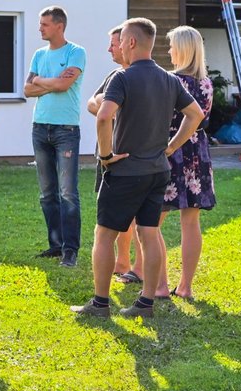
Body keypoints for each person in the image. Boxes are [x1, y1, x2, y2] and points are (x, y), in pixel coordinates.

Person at [73, 18, 204, 319]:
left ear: (131, 42)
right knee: (149, 232)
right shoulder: (170, 79)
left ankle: (101, 303)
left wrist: (106, 155)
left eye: (119, 42)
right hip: (158, 170)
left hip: (125, 171)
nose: (117, 47)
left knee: (104, 234)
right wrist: (170, 147)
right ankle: (146, 303)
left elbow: (103, 116)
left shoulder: (122, 77)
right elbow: (194, 114)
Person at [152, 26, 215, 300]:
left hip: (170, 150)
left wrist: (168, 146)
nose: (168, 51)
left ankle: (161, 286)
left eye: (171, 46)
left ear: (182, 49)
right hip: (197, 152)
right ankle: (186, 287)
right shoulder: (206, 83)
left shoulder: (168, 81)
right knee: (191, 223)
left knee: (152, 223)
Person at [23, 6, 86, 267]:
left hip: (65, 130)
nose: (40, 28)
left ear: (59, 26)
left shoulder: (76, 52)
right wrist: (50, 82)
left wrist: (42, 81)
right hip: (40, 128)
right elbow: (27, 89)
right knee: (47, 193)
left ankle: (70, 250)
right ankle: (55, 245)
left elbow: (63, 85)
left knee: (67, 192)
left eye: (44, 24)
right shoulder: (39, 54)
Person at [86, 26, 140, 283]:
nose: (109, 49)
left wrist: (104, 106)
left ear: (128, 44)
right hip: (104, 155)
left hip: (123, 155)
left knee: (131, 217)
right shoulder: (114, 75)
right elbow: (92, 103)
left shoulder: (135, 77)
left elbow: (107, 110)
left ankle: (130, 265)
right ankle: (122, 260)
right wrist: (102, 104)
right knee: (112, 214)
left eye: (113, 44)